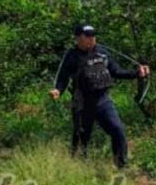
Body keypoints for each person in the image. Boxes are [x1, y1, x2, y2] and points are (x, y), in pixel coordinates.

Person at [49, 24, 150, 168]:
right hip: (82, 103)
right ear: (78, 38)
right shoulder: (71, 56)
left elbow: (116, 71)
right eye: (87, 36)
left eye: (93, 35)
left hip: (103, 101)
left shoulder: (103, 52)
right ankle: (76, 166)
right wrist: (58, 90)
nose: (92, 38)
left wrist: (136, 73)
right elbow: (62, 77)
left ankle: (121, 166)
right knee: (81, 137)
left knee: (118, 130)